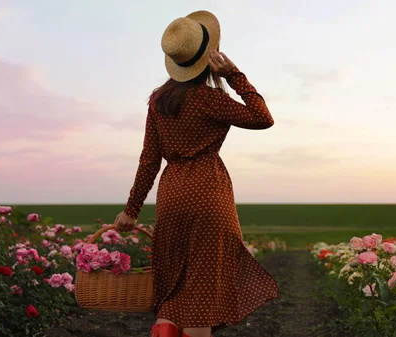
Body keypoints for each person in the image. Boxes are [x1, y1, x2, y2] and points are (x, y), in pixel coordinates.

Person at [113, 10, 278, 337]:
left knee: (173, 290)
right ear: (207, 58)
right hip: (209, 196)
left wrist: (131, 209)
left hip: (172, 196)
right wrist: (234, 75)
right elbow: (263, 117)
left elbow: (149, 159)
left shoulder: (158, 102)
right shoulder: (211, 99)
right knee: (202, 297)